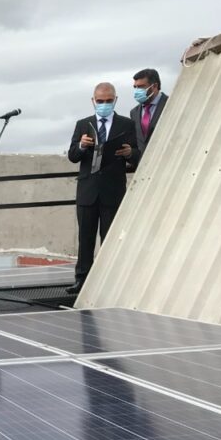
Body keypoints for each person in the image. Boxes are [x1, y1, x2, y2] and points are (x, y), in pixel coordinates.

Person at [66, 82, 137, 294]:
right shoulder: (83, 124)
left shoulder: (126, 124)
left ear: (115, 100)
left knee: (109, 238)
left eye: (108, 101)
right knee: (85, 237)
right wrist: (81, 146)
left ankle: (109, 280)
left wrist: (129, 153)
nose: (104, 105)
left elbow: (137, 153)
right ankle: (82, 280)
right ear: (93, 101)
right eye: (100, 101)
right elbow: (72, 155)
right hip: (88, 190)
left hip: (113, 189)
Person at [129, 68, 169, 166]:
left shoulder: (170, 104)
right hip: (144, 167)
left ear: (154, 86)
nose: (137, 91)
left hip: (166, 163)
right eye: (135, 87)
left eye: (141, 87)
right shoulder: (134, 112)